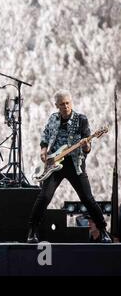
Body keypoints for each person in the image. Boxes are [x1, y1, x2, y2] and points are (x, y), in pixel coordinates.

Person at [27, 90, 111, 243]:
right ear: (56, 106)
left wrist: (86, 146)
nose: (65, 106)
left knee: (87, 198)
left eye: (67, 103)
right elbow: (45, 135)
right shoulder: (53, 118)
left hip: (75, 163)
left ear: (71, 103)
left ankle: (104, 230)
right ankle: (32, 231)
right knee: (44, 197)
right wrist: (43, 150)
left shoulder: (81, 120)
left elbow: (87, 148)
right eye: (62, 104)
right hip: (54, 163)